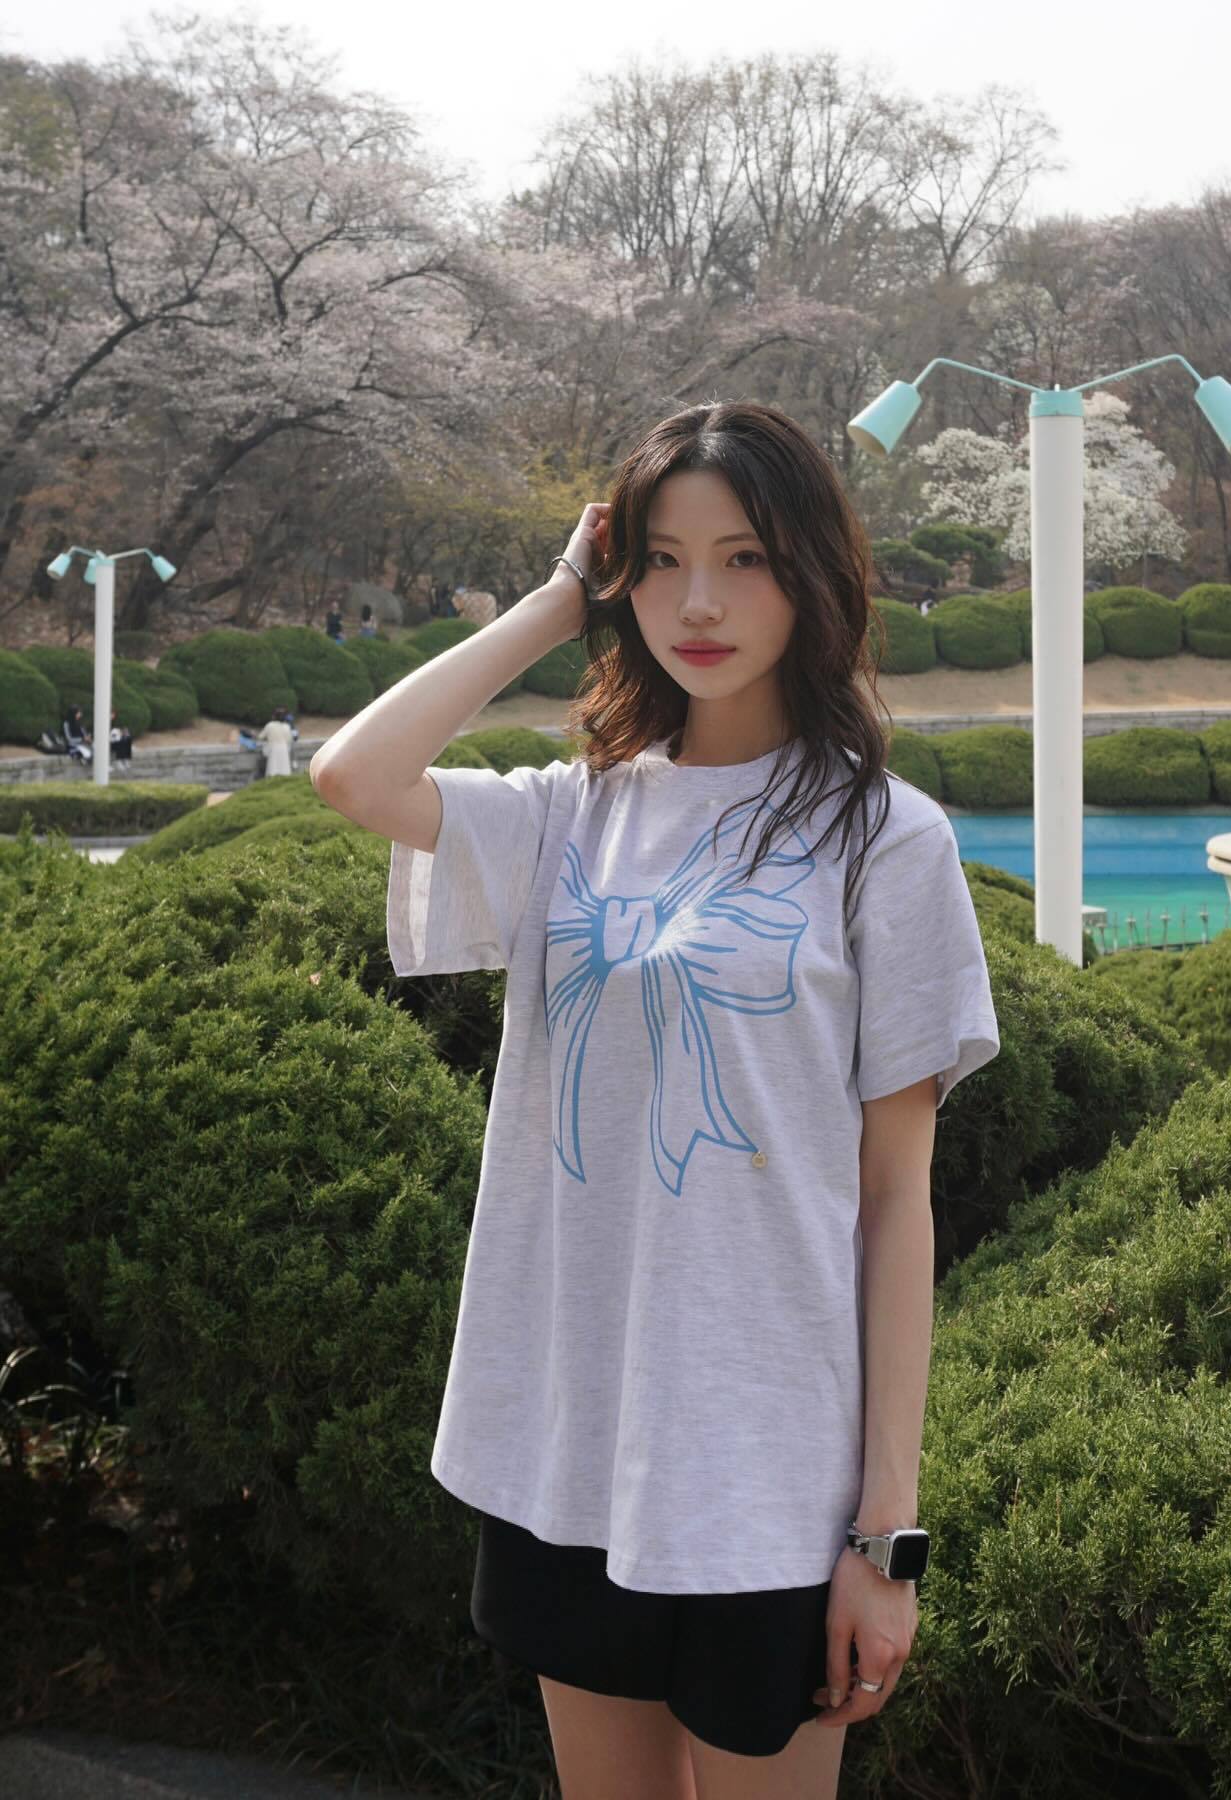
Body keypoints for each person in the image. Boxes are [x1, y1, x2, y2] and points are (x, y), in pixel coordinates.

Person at [312, 401, 1000, 1792]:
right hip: (571, 1445)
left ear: (812, 575)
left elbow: (893, 1204)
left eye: (744, 560)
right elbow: (354, 774)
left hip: (766, 1477)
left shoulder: (884, 840)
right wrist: (554, 603)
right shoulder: (573, 815)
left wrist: (885, 1538)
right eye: (663, 561)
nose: (700, 604)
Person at [256, 706, 294, 777]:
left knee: (272, 770)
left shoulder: (270, 725)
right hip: (284, 750)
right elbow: (290, 739)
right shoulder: (287, 726)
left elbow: (260, 737)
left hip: (273, 749)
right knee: (284, 771)